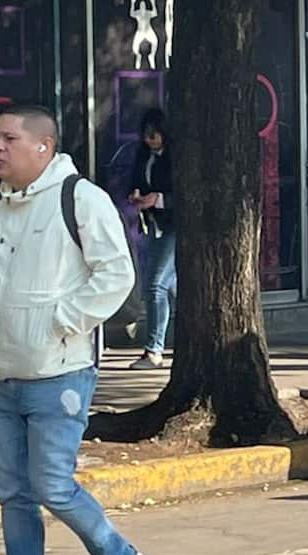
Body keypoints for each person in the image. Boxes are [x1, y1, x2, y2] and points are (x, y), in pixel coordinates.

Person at [0, 105, 146, 555]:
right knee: (13, 495)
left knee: (52, 486)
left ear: (43, 146)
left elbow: (116, 275)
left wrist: (61, 321)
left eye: (9, 138)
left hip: (59, 373)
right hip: (3, 376)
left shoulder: (80, 198)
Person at [127, 108, 176, 370]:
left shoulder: (176, 156)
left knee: (156, 285)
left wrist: (159, 199)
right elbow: (137, 181)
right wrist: (136, 194)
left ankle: (154, 349)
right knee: (170, 286)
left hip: (174, 226)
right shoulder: (144, 155)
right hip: (155, 225)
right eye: (146, 136)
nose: (149, 140)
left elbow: (186, 193)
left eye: (154, 135)